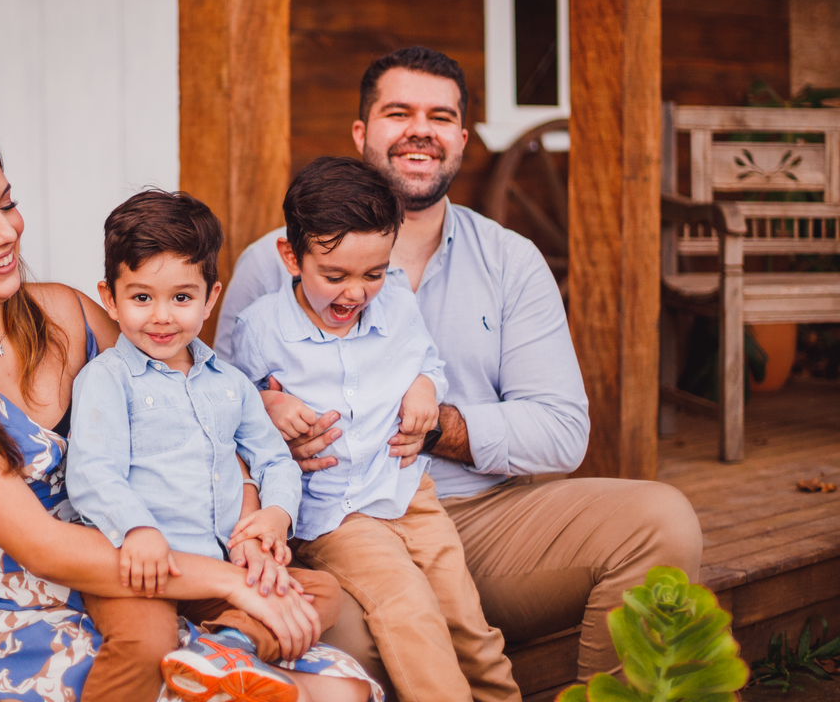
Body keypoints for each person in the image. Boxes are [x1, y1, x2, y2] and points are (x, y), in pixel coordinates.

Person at [0, 115, 379, 702]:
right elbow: (44, 547)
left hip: (144, 571)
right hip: (2, 607)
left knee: (340, 688)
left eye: (8, 204)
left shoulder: (64, 315)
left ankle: (225, 651)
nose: (7, 232)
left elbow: (193, 408)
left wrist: (251, 504)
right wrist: (231, 582)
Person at [214, 47, 703, 688]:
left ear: (461, 140)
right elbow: (218, 411)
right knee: (367, 637)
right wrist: (272, 422)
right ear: (362, 133)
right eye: (398, 112)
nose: (420, 128)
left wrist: (436, 425)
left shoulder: (510, 260)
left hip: (483, 517)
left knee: (662, 522)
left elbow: (561, 431)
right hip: (338, 523)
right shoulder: (269, 265)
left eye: (439, 116)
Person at [228, 157, 521, 702]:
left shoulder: (398, 299)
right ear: (291, 256)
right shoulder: (262, 327)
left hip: (410, 491)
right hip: (337, 512)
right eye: (334, 276)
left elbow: (426, 361)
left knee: (467, 617)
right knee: (408, 610)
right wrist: (268, 402)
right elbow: (230, 405)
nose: (355, 293)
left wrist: (425, 389)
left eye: (373, 273)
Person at [66, 189, 345, 702]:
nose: (162, 317)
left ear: (210, 297)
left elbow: (273, 458)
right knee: (146, 638)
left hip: (217, 567)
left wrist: (275, 517)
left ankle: (228, 650)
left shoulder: (229, 383)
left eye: (181, 297)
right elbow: (92, 472)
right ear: (110, 297)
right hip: (142, 568)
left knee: (321, 591)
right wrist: (138, 528)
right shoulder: (108, 379)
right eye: (141, 297)